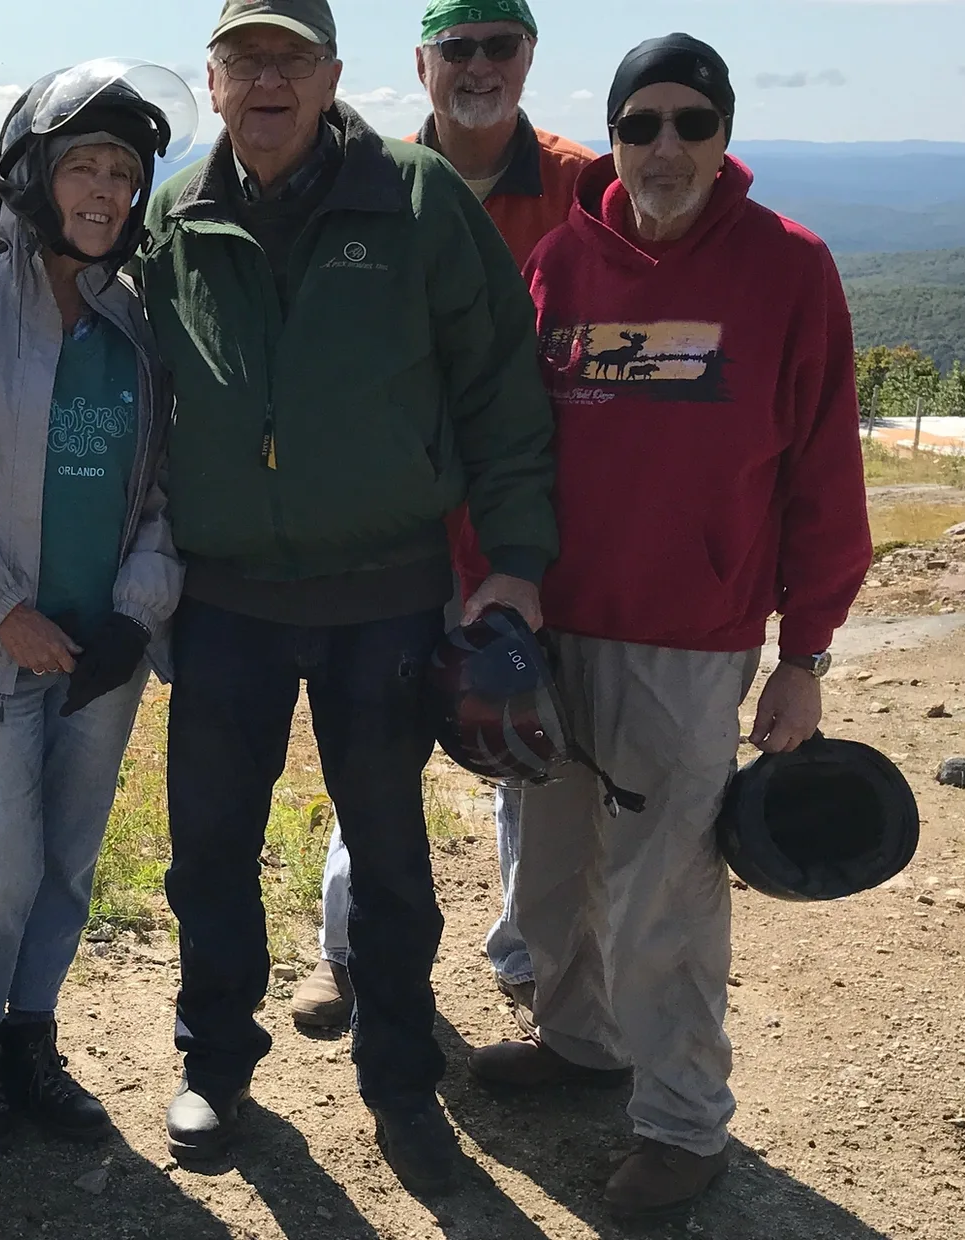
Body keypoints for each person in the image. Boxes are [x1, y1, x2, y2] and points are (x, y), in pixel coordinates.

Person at [138, 0, 557, 1196]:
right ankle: (215, 1062)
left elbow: (499, 386)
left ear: (330, 77)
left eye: (290, 59)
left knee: (387, 855)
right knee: (207, 849)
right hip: (224, 598)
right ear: (212, 82)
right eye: (243, 60)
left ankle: (400, 1080)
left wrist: (514, 558)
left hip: (383, 591)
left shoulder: (417, 200)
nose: (266, 81)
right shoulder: (175, 212)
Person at [466, 33, 871, 1215]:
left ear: (723, 134)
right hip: (549, 626)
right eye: (638, 124)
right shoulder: (560, 262)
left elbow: (822, 472)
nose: (664, 146)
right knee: (549, 870)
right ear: (612, 138)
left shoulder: (787, 268)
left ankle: (683, 1122)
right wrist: (490, 584)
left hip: (689, 639)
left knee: (664, 896)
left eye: (690, 121)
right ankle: (578, 1041)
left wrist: (803, 654)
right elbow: (508, 442)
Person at [0, 60, 191, 1153]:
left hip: (99, 652)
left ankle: (30, 1035)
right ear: (29, 176)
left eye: (124, 173)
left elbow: (164, 494)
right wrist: (5, 610)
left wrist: (135, 612)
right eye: (83, 166)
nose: (106, 191)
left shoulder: (137, 329)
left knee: (65, 863)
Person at [296, 0, 594, 1037]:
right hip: (403, 531)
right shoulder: (367, 179)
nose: (478, 65)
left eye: (498, 45)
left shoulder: (582, 186)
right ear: (420, 62)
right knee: (373, 751)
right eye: (455, 47)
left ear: (528, 55)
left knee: (529, 746)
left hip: (531, 527)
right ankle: (345, 951)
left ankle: (527, 955)